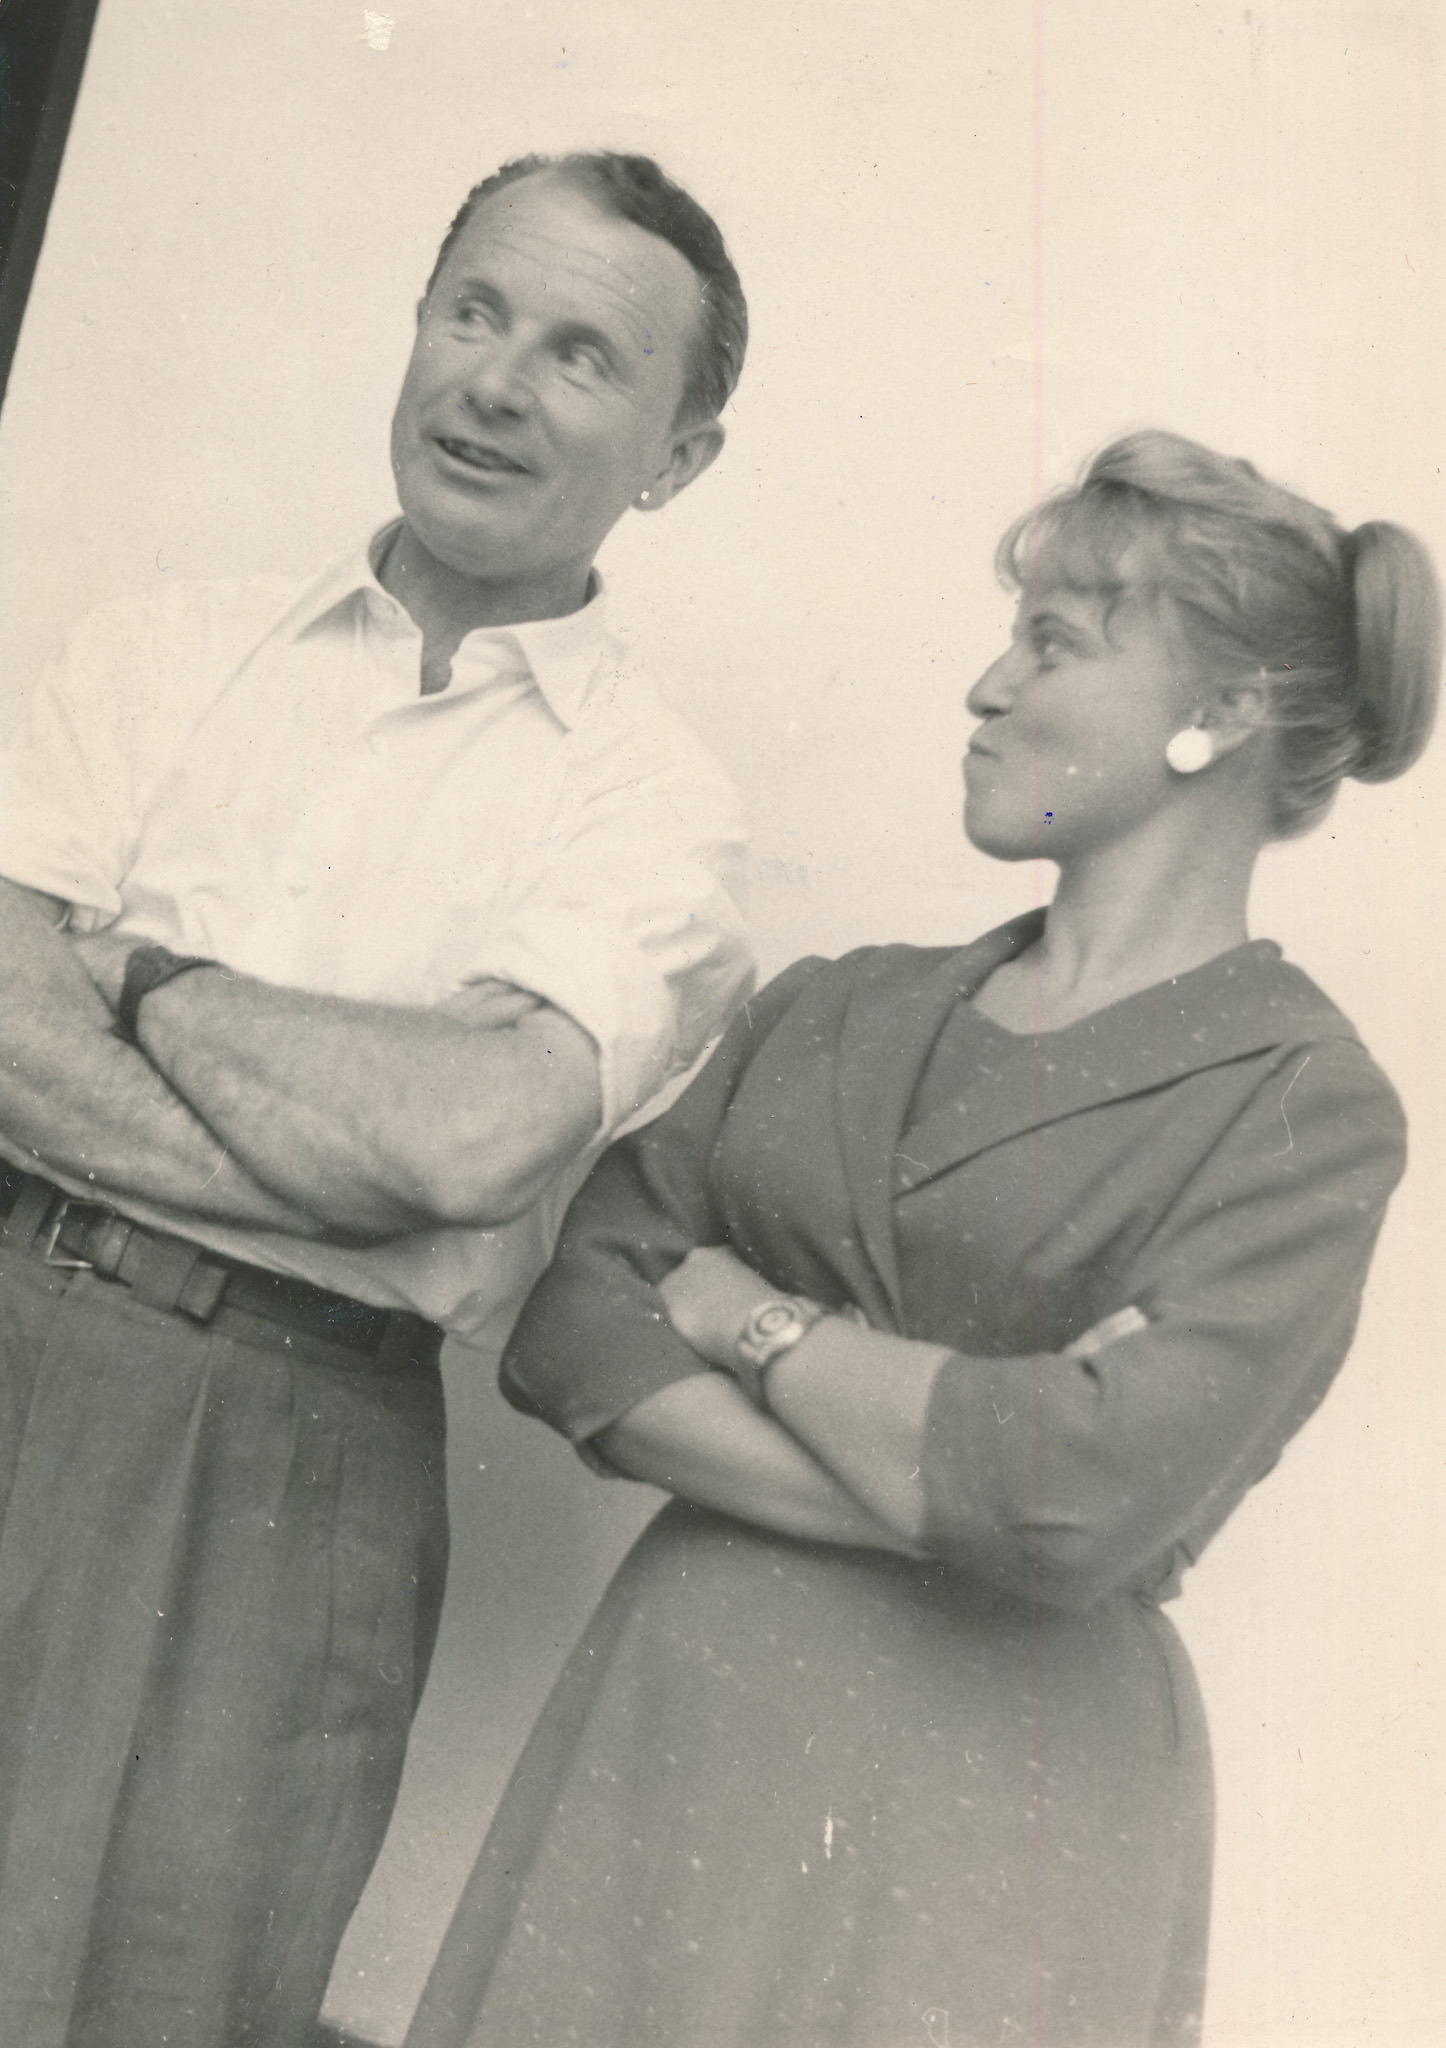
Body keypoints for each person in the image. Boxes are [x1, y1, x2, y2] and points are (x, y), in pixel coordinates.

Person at [404, 430, 1440, 2048]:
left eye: (1053, 643)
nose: (984, 685)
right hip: (683, 1725)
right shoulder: (838, 1006)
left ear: (1224, 712)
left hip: (990, 1806)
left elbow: (1068, 1500)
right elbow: (573, 1328)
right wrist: (957, 1479)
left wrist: (750, 1316)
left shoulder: (1301, 1103)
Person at [0, 152, 754, 2048]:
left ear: (677, 460)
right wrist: (346, 1164)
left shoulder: (651, 805)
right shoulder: (158, 649)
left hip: (284, 1461)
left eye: (580, 355)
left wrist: (140, 975)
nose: (494, 382)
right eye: (474, 312)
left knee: (143, 1999)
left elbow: (470, 1144)